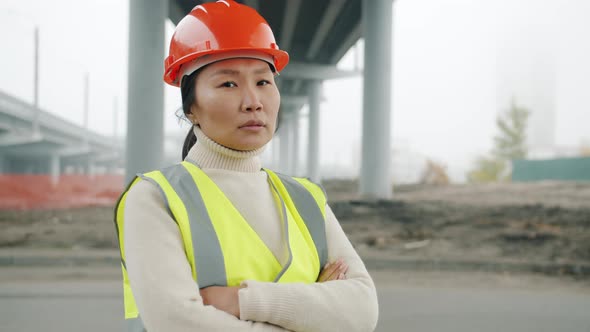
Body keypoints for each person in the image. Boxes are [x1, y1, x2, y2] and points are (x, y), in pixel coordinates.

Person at [114, 1, 379, 331]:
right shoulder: (155, 199)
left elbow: (363, 311)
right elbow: (178, 323)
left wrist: (240, 301)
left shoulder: (308, 199)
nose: (253, 101)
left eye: (264, 82)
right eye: (228, 84)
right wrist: (316, 311)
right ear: (191, 106)